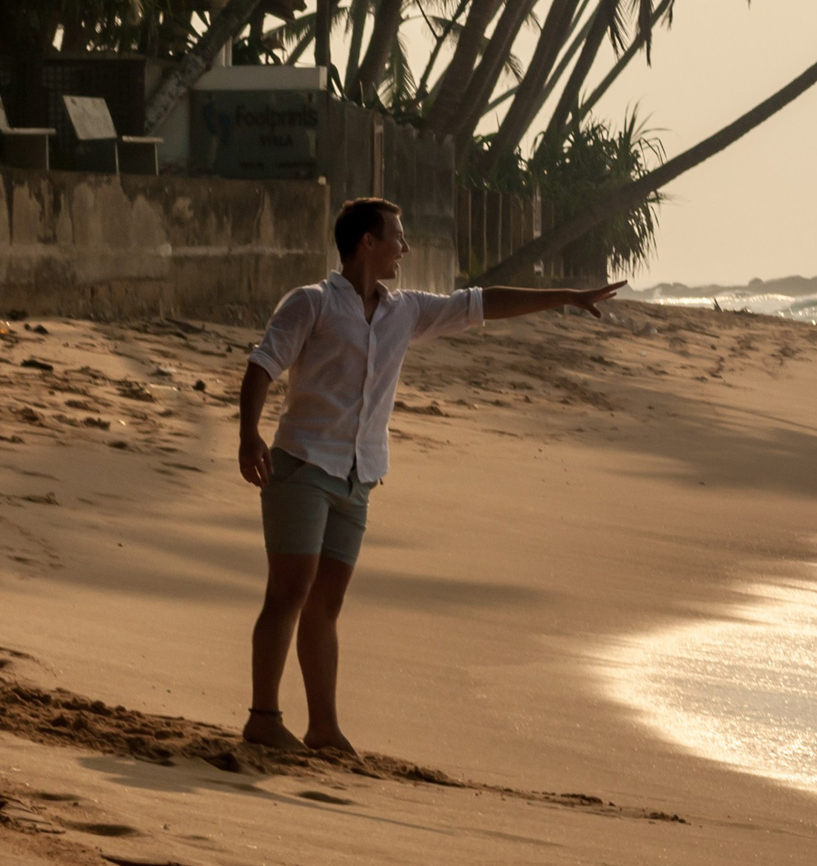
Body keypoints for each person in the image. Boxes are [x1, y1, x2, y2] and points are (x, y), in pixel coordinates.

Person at [236, 195, 623, 751]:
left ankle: (323, 726)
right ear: (367, 242)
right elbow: (261, 366)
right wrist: (249, 433)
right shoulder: (312, 304)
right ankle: (264, 717)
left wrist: (564, 296)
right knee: (289, 594)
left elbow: (482, 303)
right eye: (397, 235)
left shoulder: (405, 310)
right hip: (302, 464)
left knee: (327, 604)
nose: (405, 247)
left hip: (357, 477)